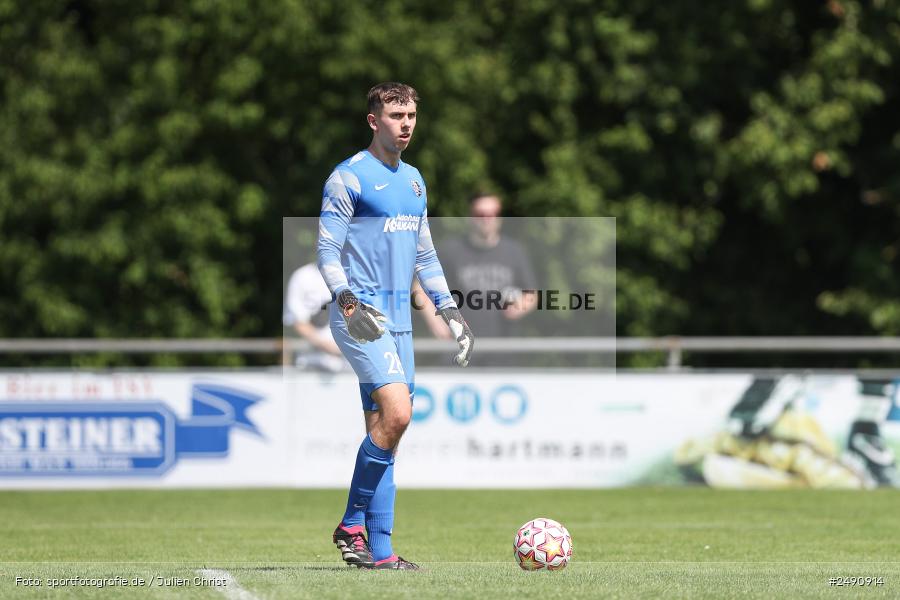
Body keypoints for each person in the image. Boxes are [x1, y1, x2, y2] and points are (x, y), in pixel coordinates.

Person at [316, 82, 474, 570]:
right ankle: (351, 524)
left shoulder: (414, 181)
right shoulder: (348, 177)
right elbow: (326, 251)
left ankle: (380, 553)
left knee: (386, 430)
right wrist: (347, 303)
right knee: (399, 414)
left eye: (411, 116)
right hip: (360, 316)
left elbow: (425, 255)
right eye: (395, 115)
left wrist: (450, 311)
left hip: (401, 322)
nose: (405, 124)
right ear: (373, 121)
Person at [419, 193, 537, 355]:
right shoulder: (451, 250)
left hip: (503, 348)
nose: (487, 219)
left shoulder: (514, 251)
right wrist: (435, 322)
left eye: (492, 214)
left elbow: (531, 294)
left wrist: (520, 305)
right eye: (480, 214)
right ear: (471, 216)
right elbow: (420, 286)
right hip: (459, 345)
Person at [282, 262, 345, 372]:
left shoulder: (358, 276)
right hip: (312, 362)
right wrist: (327, 346)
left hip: (351, 367)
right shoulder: (302, 276)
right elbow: (298, 322)